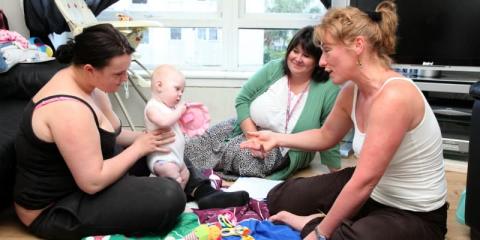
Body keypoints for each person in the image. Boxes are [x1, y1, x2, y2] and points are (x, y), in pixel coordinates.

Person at [13, 23, 248, 240]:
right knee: (168, 195)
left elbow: (111, 135)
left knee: (164, 141)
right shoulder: (68, 108)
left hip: (90, 174)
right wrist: (138, 148)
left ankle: (203, 191)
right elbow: (92, 181)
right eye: (118, 74)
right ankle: (182, 192)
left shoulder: (89, 85)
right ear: (89, 69)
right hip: (58, 209)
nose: (125, 79)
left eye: (126, 71)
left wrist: (150, 138)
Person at [241, 1, 448, 239]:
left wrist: (320, 232)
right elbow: (325, 135)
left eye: (327, 50)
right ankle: (336, 221)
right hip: (374, 193)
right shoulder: (352, 91)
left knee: (341, 236)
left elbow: (364, 181)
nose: (321, 62)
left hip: (413, 213)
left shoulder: (394, 97)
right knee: (282, 198)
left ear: (358, 45)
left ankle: (324, 223)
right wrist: (276, 138)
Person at [185, 25, 341, 181]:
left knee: (244, 159)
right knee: (190, 146)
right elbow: (243, 98)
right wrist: (252, 137)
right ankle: (193, 164)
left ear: (318, 60)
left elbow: (330, 133)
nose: (298, 58)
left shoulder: (328, 87)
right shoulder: (275, 68)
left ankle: (201, 167)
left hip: (283, 147)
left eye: (306, 55)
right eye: (295, 51)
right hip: (246, 128)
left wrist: (336, 174)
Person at [145, 64, 189, 189]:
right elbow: (164, 122)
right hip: (162, 159)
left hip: (177, 157)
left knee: (186, 175)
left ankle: (180, 197)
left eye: (182, 91)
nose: (180, 94)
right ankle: (173, 193)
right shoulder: (152, 107)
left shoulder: (171, 108)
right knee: (173, 176)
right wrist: (179, 111)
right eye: (177, 89)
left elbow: (176, 125)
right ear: (159, 86)